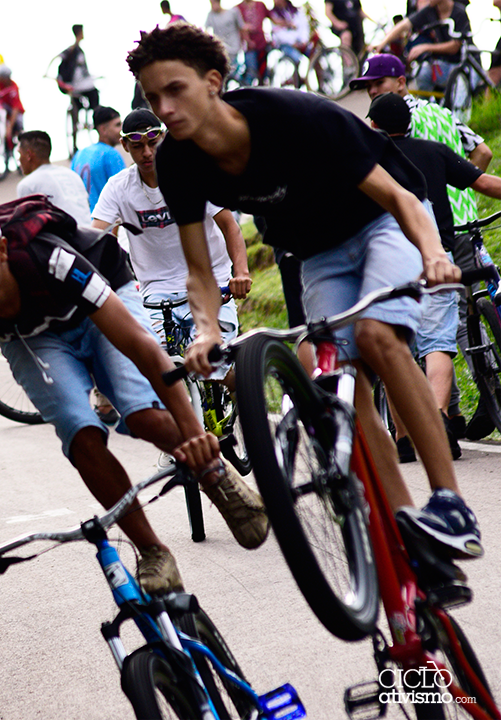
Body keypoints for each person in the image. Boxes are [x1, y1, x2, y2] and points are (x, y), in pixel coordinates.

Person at [129, 23, 483, 561]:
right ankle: (406, 526)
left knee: (377, 337)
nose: (166, 109)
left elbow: (403, 200)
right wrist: (204, 330)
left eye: (175, 90)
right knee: (338, 378)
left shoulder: (291, 117)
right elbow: (199, 271)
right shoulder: (179, 162)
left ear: (213, 82)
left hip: (380, 224)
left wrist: (434, 255)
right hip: (315, 255)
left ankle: (451, 505)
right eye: (154, 98)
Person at [0, 198, 269, 593]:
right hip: (31, 336)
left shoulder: (48, 259)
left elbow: (141, 347)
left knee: (142, 415)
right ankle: (153, 552)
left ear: (1, 251)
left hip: (102, 296)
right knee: (81, 435)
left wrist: (194, 434)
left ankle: (214, 474)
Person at [350, 53, 493, 437]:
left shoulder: (369, 155)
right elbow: (482, 158)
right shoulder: (439, 125)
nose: (372, 90)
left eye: (375, 84)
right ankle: (451, 413)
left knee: (399, 344)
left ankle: (407, 434)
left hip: (391, 256)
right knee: (445, 337)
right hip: (448, 236)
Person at [90, 109, 250, 373]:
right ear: (124, 145)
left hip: (212, 283)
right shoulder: (118, 188)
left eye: (153, 143)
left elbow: (229, 227)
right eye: (137, 146)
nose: (147, 153)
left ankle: (249, 403)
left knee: (216, 370)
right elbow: (97, 237)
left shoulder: (192, 173)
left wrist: (240, 273)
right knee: (160, 371)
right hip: (156, 293)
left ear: (164, 137)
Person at [372, 0, 471, 94]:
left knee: (460, 92)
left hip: (465, 65)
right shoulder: (431, 10)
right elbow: (405, 24)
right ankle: (425, 107)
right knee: (422, 73)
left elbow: (455, 46)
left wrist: (426, 47)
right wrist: (382, 43)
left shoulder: (459, 12)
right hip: (443, 64)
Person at [15, 130, 91, 227]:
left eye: (19, 154)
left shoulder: (27, 185)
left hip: (63, 240)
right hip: (90, 236)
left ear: (29, 155)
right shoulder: (72, 175)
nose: (18, 159)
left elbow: (25, 226)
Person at [56, 25, 101, 156]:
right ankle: (93, 122)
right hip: (77, 86)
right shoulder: (71, 50)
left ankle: (94, 119)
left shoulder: (78, 50)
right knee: (77, 109)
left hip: (83, 84)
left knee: (93, 98)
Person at [71, 106, 126, 210]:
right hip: (105, 222)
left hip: (82, 220)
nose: (121, 129)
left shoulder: (79, 154)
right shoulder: (111, 154)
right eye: (117, 125)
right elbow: (124, 194)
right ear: (103, 129)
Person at [237, 0, 270, 85]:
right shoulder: (237, 9)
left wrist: (286, 24)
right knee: (251, 72)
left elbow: (273, 18)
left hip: (262, 44)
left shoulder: (260, 5)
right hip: (249, 47)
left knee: (264, 74)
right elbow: (239, 28)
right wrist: (247, 40)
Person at [206, 0, 246, 65]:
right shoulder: (211, 15)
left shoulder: (232, 12)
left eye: (213, 3)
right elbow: (206, 29)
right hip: (221, 48)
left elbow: (241, 27)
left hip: (234, 47)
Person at [269, 0, 310, 64]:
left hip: (301, 43)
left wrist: (303, 41)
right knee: (300, 60)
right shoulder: (273, 15)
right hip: (285, 45)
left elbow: (303, 26)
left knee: (315, 56)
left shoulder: (296, 11)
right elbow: (278, 33)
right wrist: (293, 43)